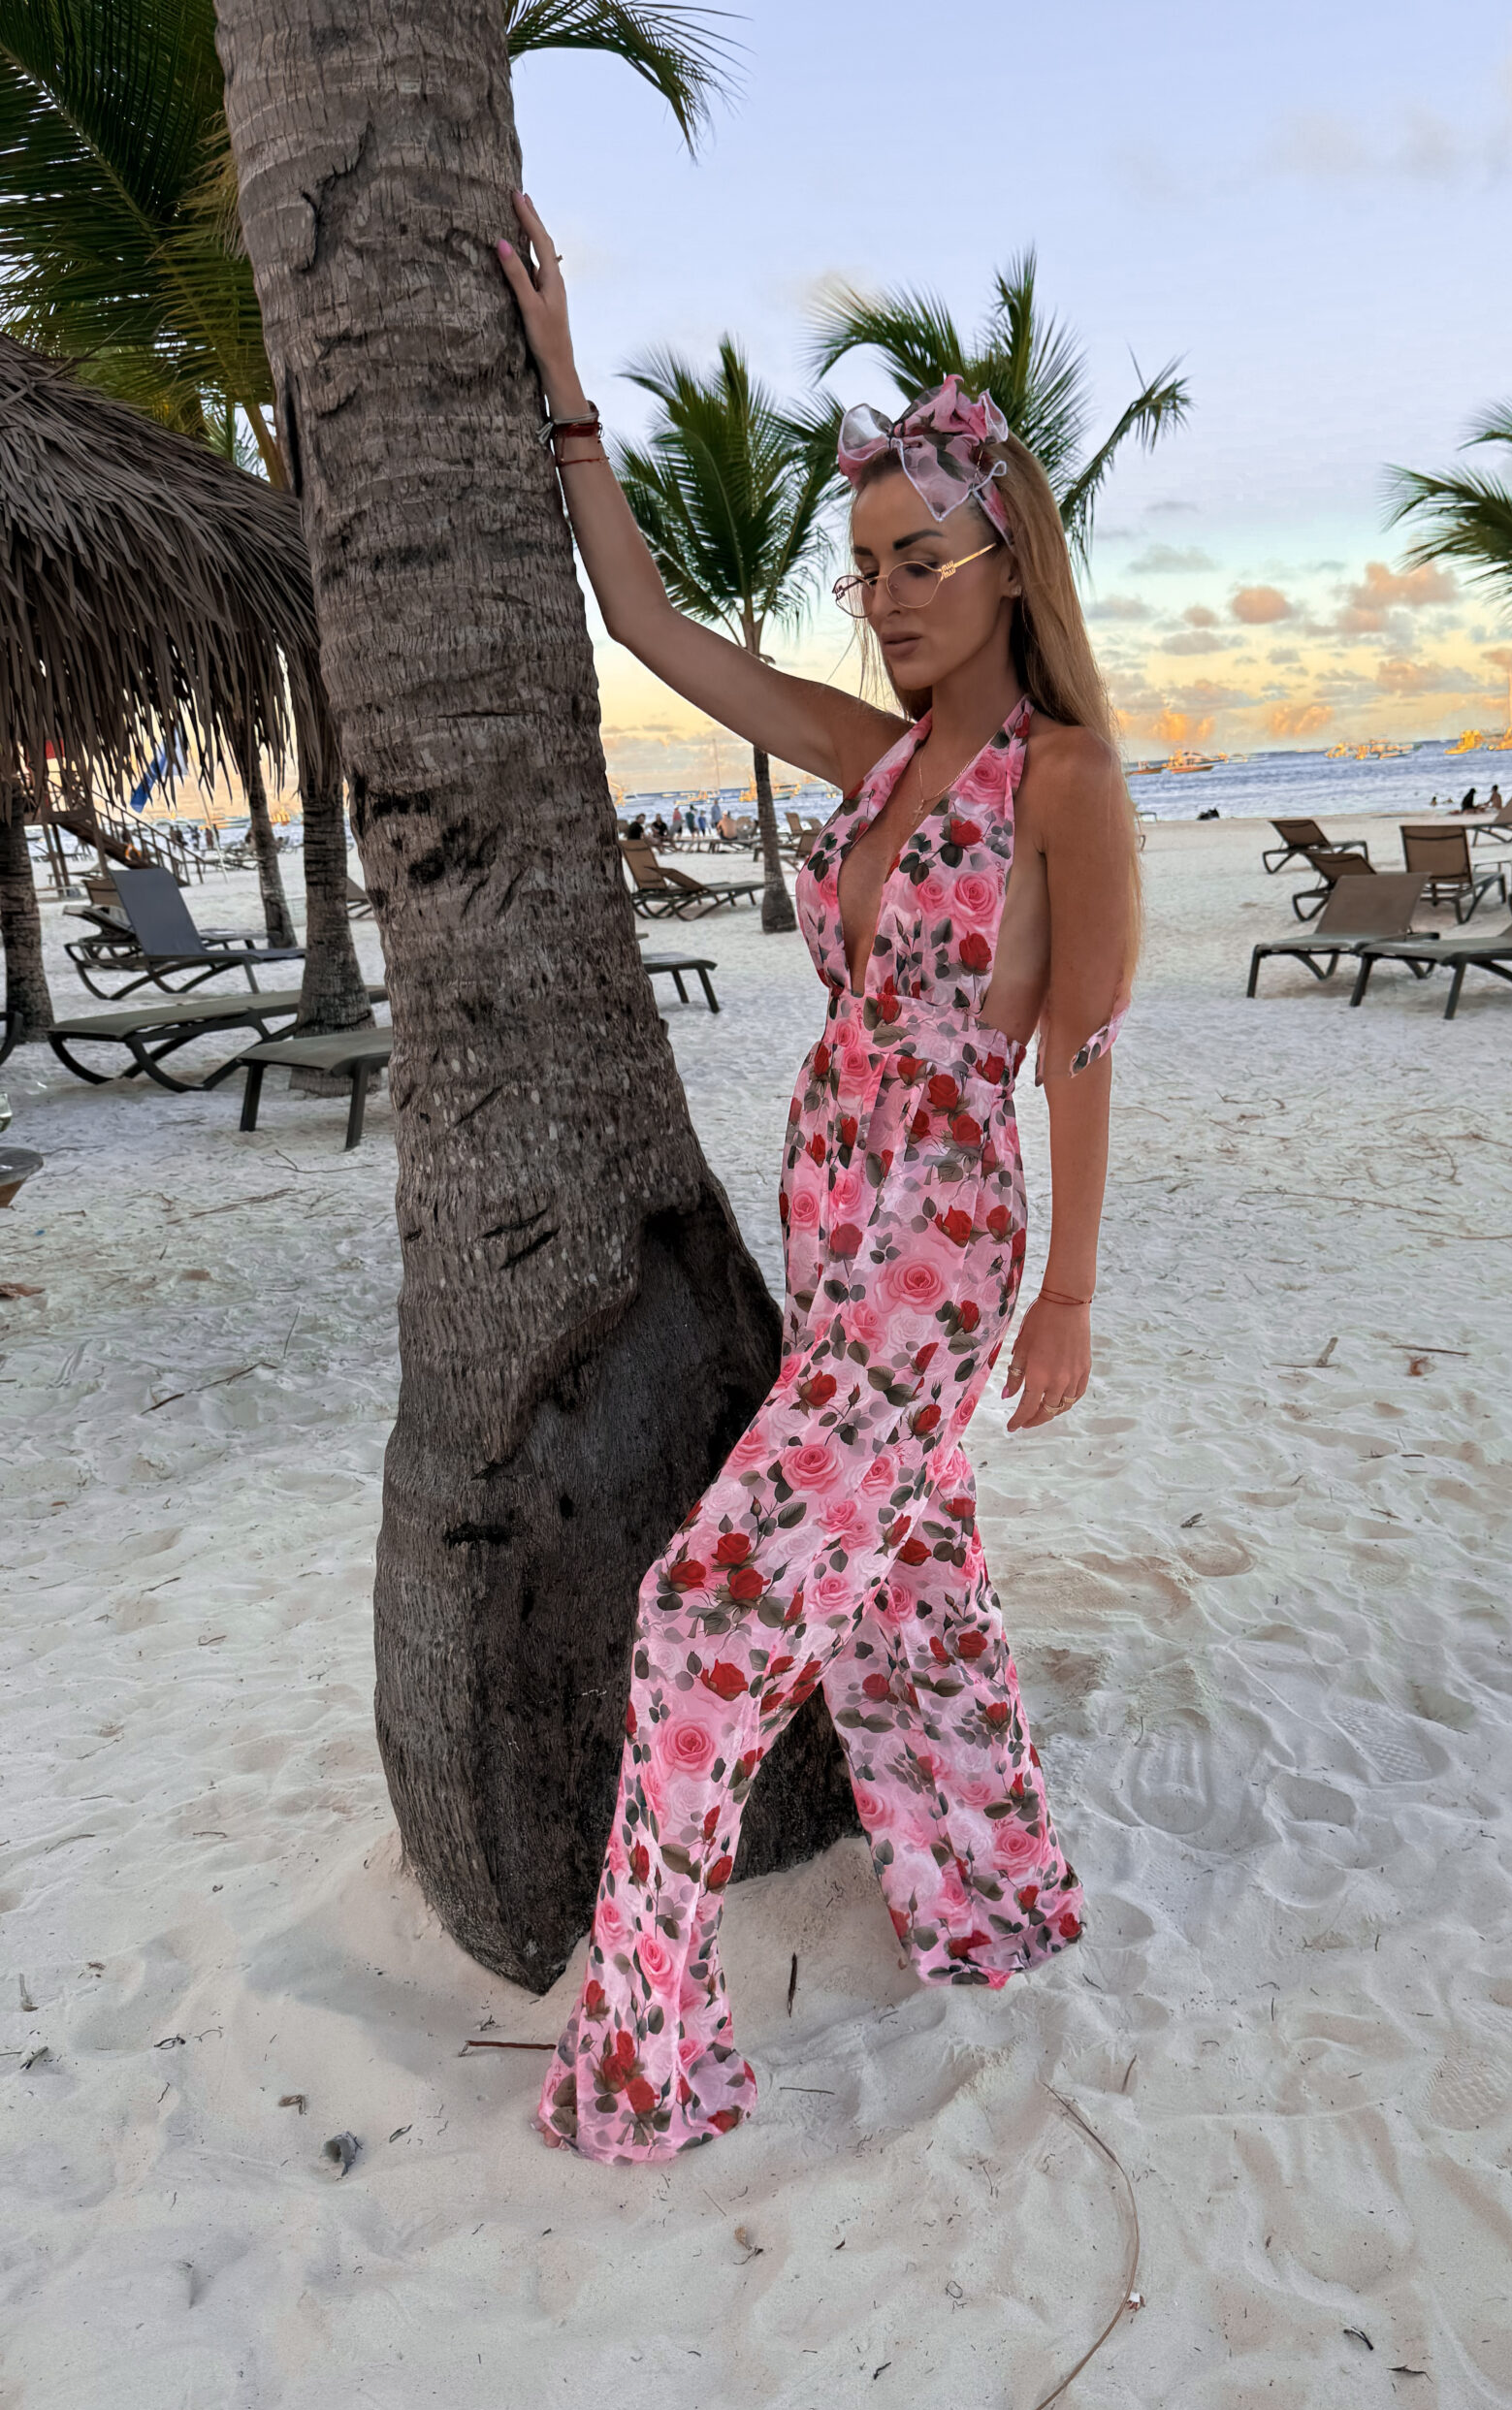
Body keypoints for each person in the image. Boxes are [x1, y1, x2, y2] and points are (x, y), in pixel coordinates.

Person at [499, 193, 1137, 2167]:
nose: (887, 595)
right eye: (864, 568)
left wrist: (1067, 1295)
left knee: (710, 1606)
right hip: (836, 1230)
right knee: (904, 1584)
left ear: (1006, 556)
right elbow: (652, 631)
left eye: (920, 557)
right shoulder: (876, 760)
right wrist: (569, 396)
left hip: (940, 1252)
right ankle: (999, 1901)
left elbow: (1084, 1046)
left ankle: (649, 2045)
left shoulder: (1067, 783)